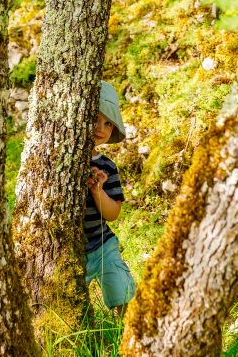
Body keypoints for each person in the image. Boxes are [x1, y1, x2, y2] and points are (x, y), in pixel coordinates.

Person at [84, 81, 135, 316]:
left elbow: (113, 214)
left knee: (123, 294)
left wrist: (98, 191)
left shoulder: (107, 166)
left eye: (108, 123)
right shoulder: (65, 157)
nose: (101, 128)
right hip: (74, 251)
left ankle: (128, 336)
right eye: (96, 118)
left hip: (103, 246)